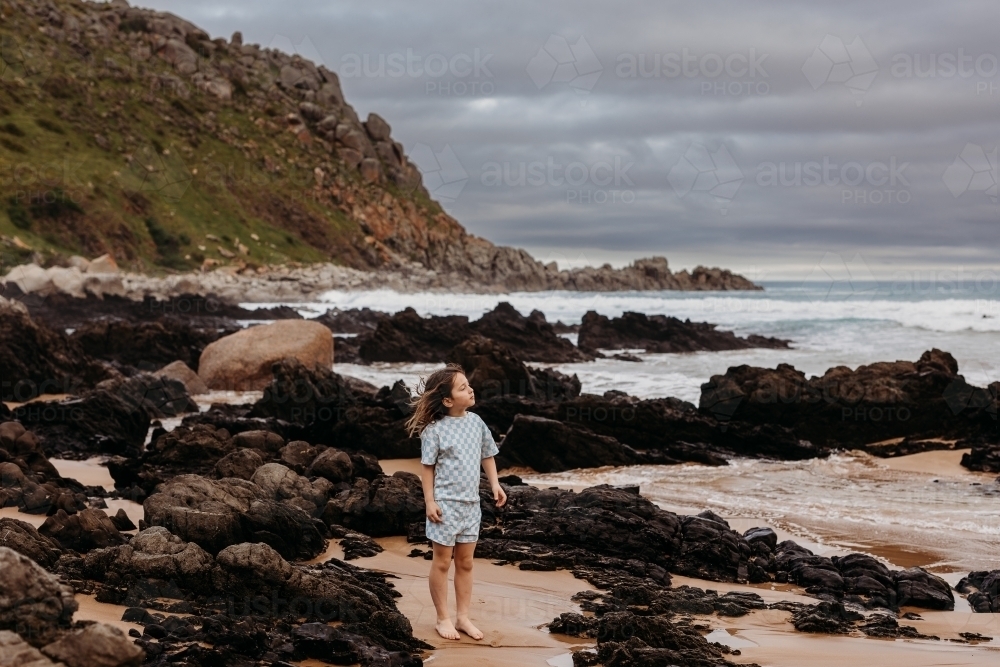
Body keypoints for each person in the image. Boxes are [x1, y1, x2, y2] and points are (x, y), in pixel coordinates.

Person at [405, 363, 507, 641]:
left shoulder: (476, 422)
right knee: (441, 562)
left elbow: (488, 454)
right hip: (445, 506)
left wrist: (495, 484)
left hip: (471, 505)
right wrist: (430, 501)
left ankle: (462, 617)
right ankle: (443, 618)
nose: (470, 389)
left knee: (466, 563)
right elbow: (427, 467)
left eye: (468, 384)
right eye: (463, 387)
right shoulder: (435, 431)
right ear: (448, 400)